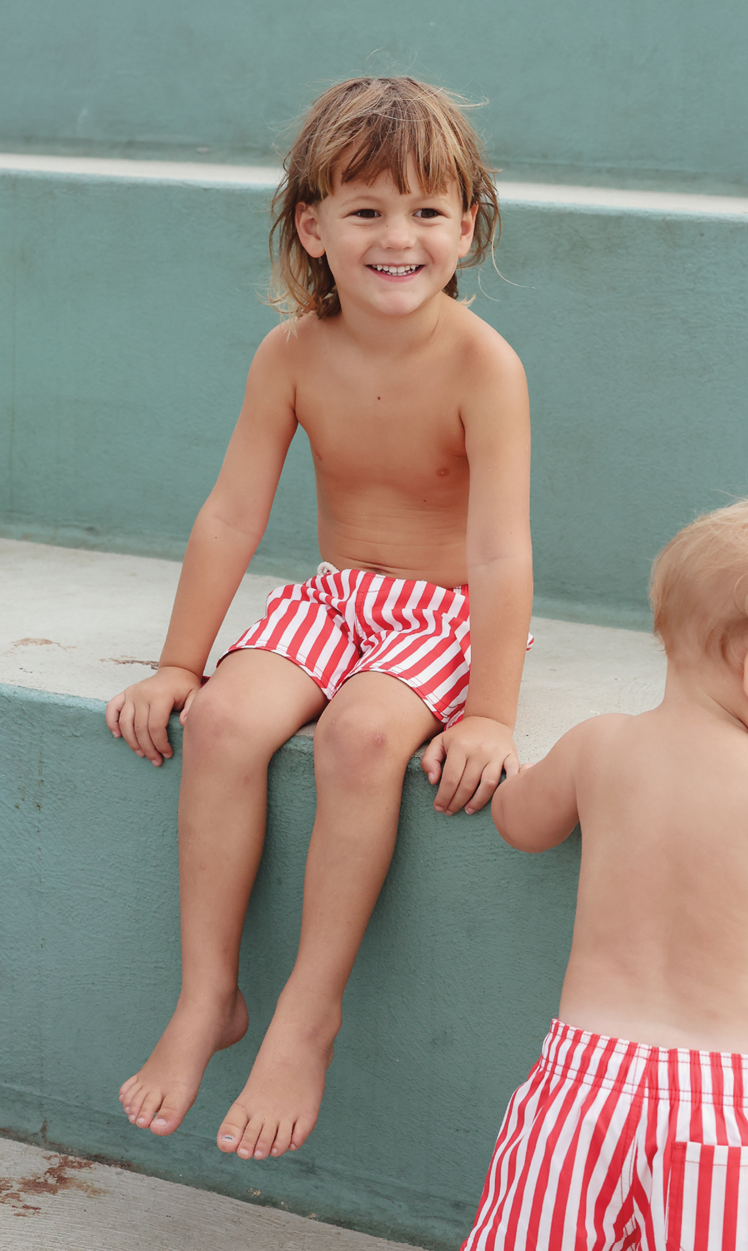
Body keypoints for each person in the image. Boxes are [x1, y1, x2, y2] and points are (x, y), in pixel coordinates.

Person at [106, 76, 532, 1163]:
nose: (400, 237)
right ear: (313, 224)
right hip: (340, 596)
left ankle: (307, 1012)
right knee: (226, 722)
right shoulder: (291, 354)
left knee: (357, 735)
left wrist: (488, 712)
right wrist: (175, 663)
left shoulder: (484, 366)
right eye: (367, 210)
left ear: (467, 227)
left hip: (447, 610)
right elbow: (232, 513)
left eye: (428, 211)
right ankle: (211, 994)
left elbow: (499, 550)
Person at [464, 496, 748, 1251]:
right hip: (725, 1118)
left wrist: (507, 766)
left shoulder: (600, 747)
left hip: (578, 1095)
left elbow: (518, 823)